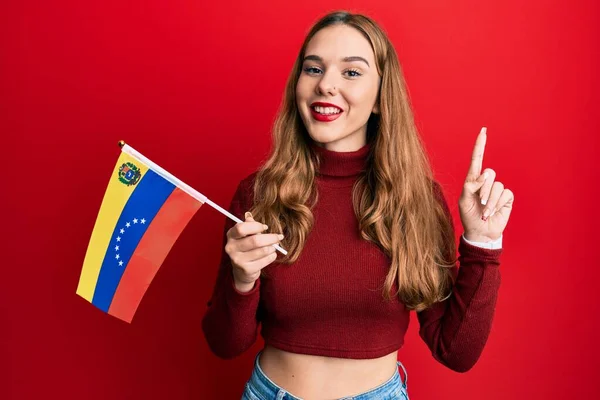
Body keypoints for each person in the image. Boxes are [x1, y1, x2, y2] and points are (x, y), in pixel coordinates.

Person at [202, 10, 514, 400]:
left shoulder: (416, 200)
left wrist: (482, 243)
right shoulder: (260, 194)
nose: (326, 85)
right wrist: (241, 280)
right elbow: (224, 343)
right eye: (313, 69)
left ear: (382, 97)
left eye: (351, 72)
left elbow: (456, 351)